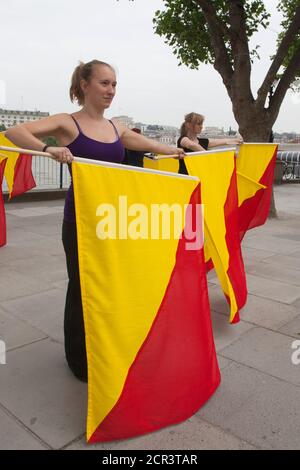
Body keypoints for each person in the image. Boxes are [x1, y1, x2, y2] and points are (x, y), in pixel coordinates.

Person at [6, 59, 185, 382]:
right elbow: (14, 132)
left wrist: (173, 151)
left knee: (109, 286)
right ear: (84, 85)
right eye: (104, 83)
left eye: (114, 84)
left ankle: (105, 344)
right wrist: (49, 149)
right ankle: (78, 358)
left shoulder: (116, 127)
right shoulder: (67, 122)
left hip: (113, 220)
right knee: (81, 287)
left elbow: (146, 145)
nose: (111, 90)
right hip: (80, 223)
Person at [177, 112, 243, 174]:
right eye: (198, 124)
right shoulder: (183, 139)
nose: (201, 127)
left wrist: (235, 140)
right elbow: (192, 145)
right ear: (189, 125)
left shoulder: (203, 141)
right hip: (187, 179)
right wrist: (209, 156)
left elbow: (221, 141)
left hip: (201, 177)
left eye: (201, 124)